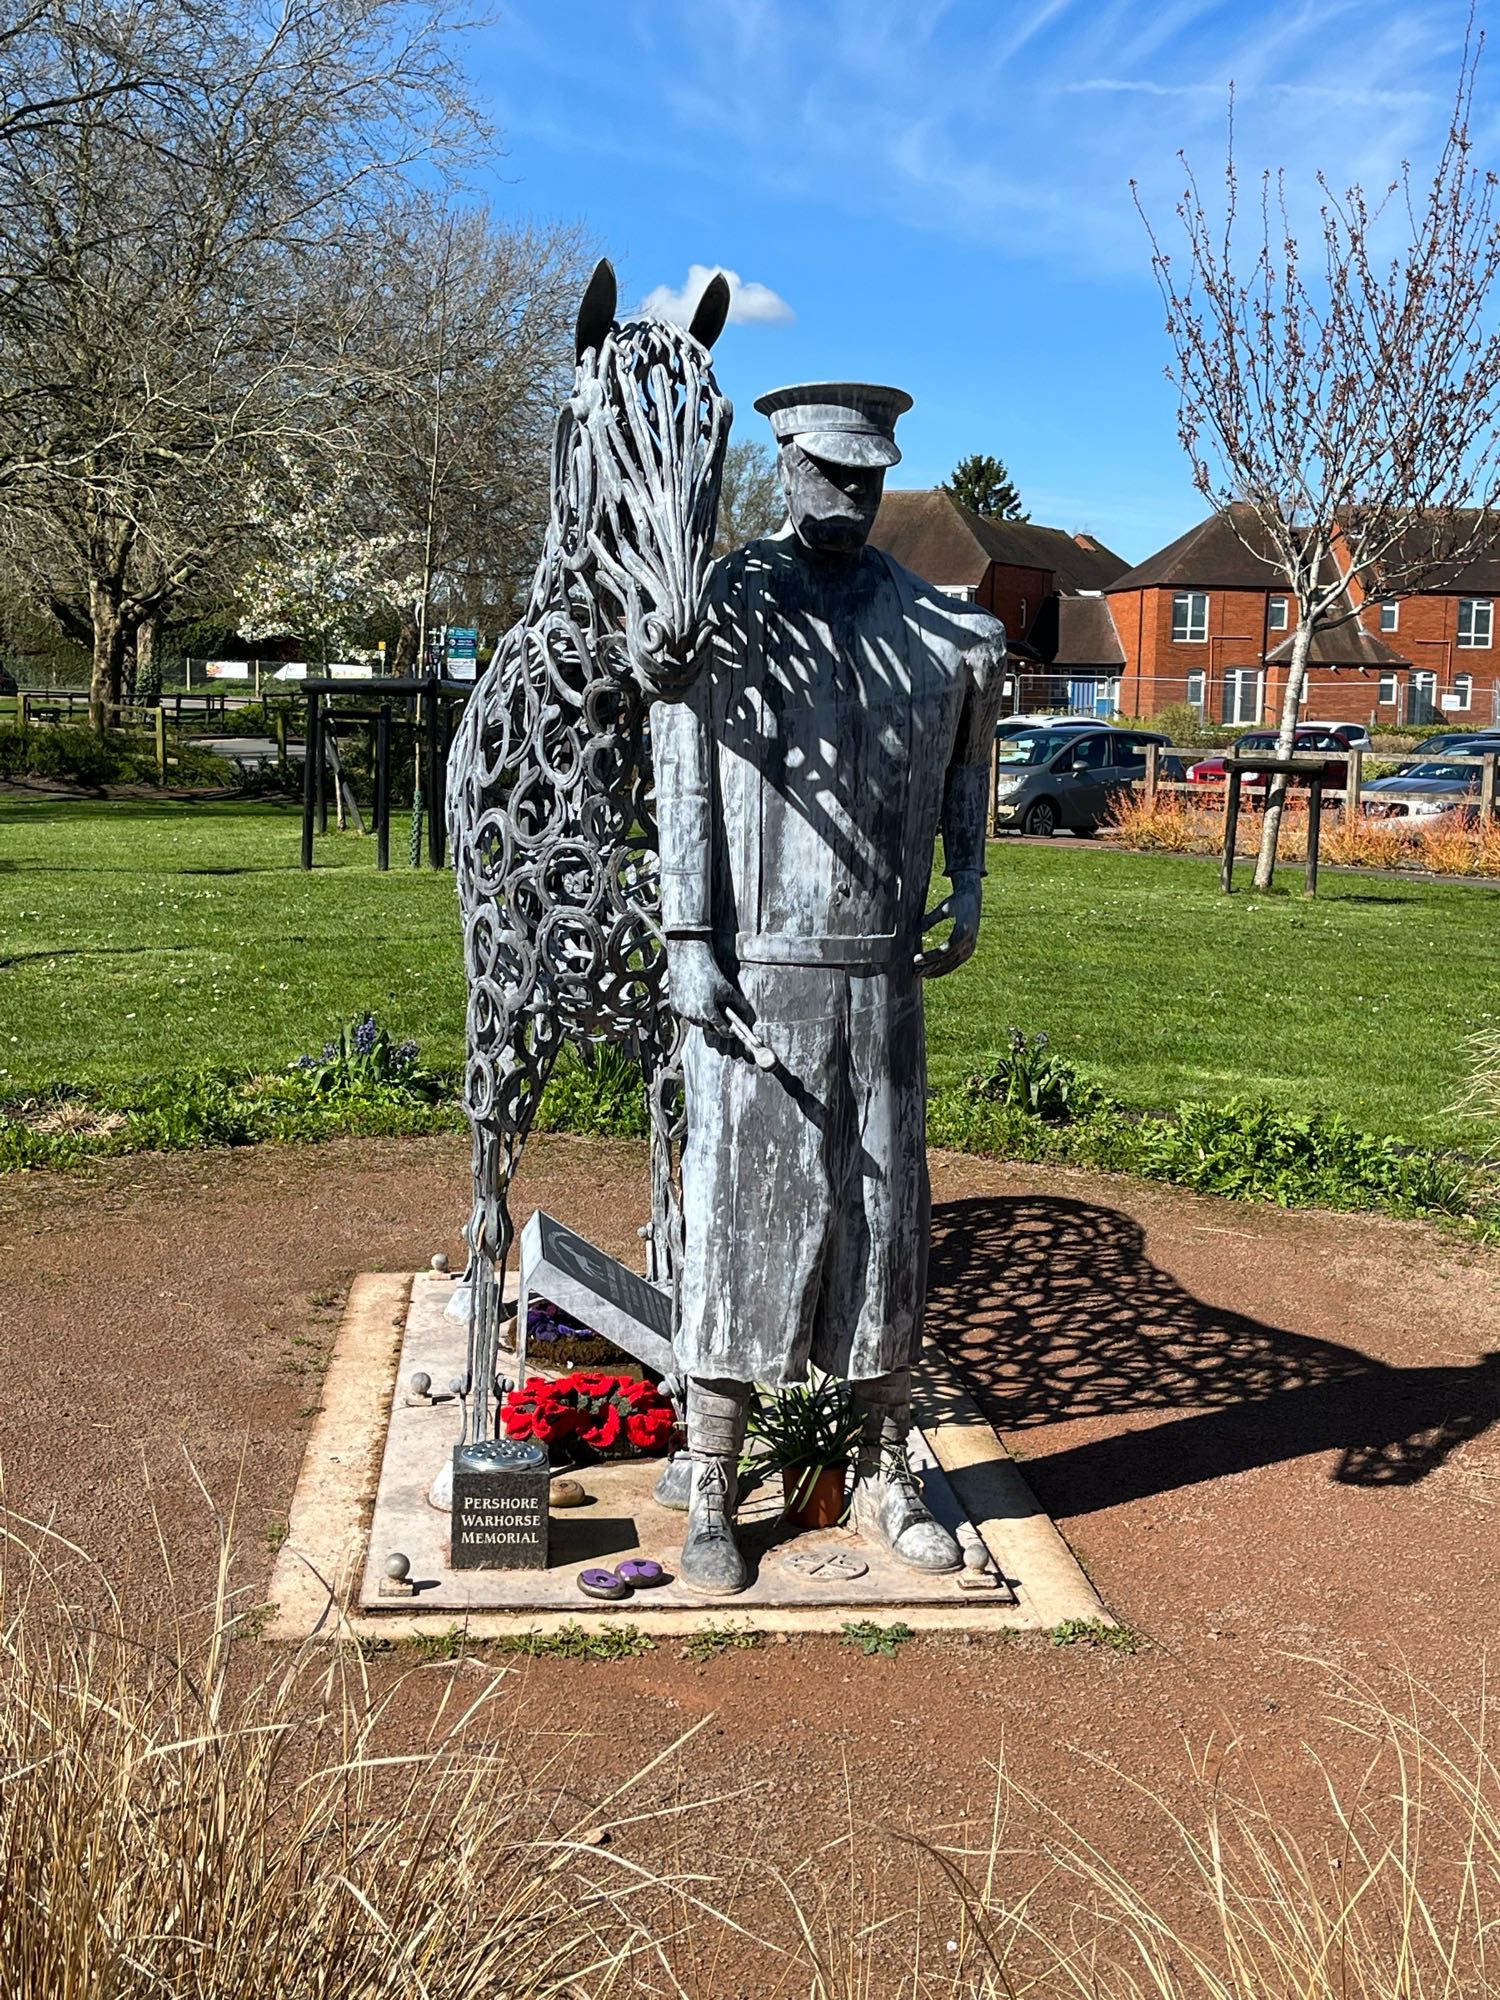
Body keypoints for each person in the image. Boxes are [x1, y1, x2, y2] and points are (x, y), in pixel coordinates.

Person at [651, 381, 1006, 1594]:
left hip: (878, 982)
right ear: (786, 463)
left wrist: (969, 877)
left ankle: (883, 1466)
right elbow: (684, 777)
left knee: (885, 1224)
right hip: (756, 978)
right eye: (825, 471)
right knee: (745, 1225)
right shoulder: (723, 614)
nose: (846, 494)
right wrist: (688, 933)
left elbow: (969, 755)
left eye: (866, 476)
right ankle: (712, 1480)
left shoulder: (936, 626)